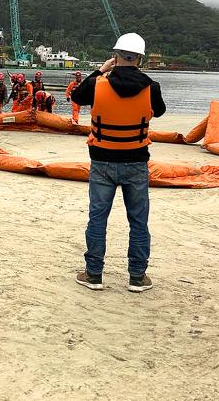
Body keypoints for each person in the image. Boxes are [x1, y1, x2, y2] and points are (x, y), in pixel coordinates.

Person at [70, 32, 166, 293]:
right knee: (138, 221)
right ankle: (137, 277)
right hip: (136, 162)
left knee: (98, 218)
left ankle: (93, 275)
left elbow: (77, 97)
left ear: (115, 56)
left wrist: (100, 71)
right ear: (141, 59)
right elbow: (159, 110)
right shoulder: (151, 86)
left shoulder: (98, 84)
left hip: (102, 160)